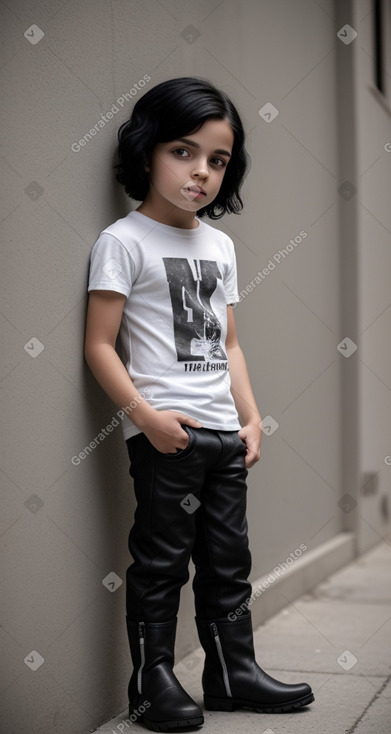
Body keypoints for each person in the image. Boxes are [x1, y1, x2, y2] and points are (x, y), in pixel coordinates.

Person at [84, 77, 314, 732]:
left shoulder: (219, 246)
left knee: (227, 560)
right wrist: (145, 417)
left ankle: (231, 672)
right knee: (160, 561)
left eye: (217, 160)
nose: (201, 172)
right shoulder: (123, 241)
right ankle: (150, 681)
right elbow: (100, 345)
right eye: (183, 152)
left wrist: (249, 415)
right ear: (147, 150)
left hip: (222, 434)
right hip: (168, 435)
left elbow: (230, 343)